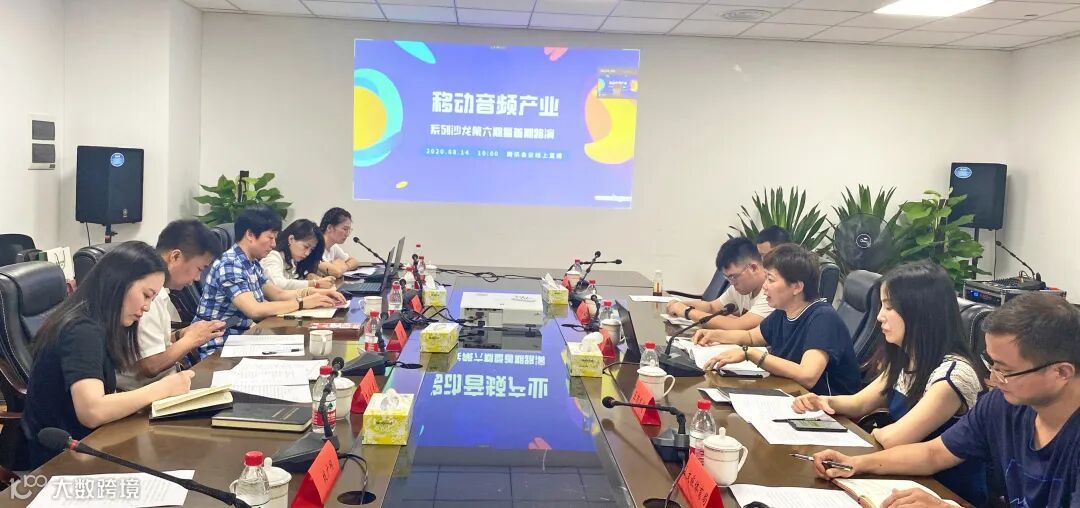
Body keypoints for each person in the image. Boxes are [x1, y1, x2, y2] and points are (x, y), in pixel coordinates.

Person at [812, 293, 1079, 508]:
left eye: (1005, 371)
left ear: (1061, 373)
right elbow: (935, 453)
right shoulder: (1002, 404)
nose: (992, 378)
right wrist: (855, 463)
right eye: (991, 364)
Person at [791, 261, 987, 506]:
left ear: (920, 313)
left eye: (889, 307)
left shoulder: (954, 374)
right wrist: (822, 401)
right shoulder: (906, 356)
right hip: (902, 476)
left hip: (944, 493)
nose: (879, 317)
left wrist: (876, 433)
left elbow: (895, 438)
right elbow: (860, 403)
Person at [22, 242, 195, 470]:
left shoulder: (101, 322)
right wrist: (164, 389)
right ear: (119, 283)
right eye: (146, 295)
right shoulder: (82, 330)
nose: (146, 307)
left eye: (152, 300)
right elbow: (91, 411)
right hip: (60, 460)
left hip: (92, 443)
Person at [695, 244, 860, 395]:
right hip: (792, 394)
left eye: (771, 279)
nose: (764, 286)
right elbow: (751, 337)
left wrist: (750, 354)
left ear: (797, 287)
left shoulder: (823, 318)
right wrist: (715, 335)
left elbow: (808, 376)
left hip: (827, 408)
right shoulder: (783, 311)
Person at [195, 205, 345, 357]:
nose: (274, 244)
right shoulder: (230, 264)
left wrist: (315, 293)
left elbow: (278, 294)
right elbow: (254, 309)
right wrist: (302, 303)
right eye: (270, 237)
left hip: (243, 339)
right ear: (250, 235)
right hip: (219, 346)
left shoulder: (251, 263)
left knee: (300, 349)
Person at [117, 220, 228, 390]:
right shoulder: (146, 297)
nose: (197, 278)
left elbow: (149, 343)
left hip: (171, 383)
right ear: (175, 257)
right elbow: (150, 366)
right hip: (150, 395)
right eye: (199, 269)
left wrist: (181, 334)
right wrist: (191, 340)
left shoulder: (158, 290)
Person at [665, 237, 774, 330]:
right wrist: (681, 304)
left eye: (733, 277)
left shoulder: (771, 292)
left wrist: (686, 311)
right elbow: (712, 307)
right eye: (728, 278)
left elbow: (737, 326)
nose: (732, 283)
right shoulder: (740, 287)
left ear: (753, 268)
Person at [261, 219, 336, 291]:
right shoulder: (273, 256)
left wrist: (309, 276)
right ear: (291, 239)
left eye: (311, 250)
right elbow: (278, 284)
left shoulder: (293, 260)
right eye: (306, 247)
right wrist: (314, 284)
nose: (307, 253)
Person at [318, 207, 362, 278]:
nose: (347, 234)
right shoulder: (315, 246)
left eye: (349, 230)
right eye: (345, 229)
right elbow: (336, 272)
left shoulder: (333, 247)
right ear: (329, 228)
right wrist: (336, 267)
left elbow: (354, 261)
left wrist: (346, 266)